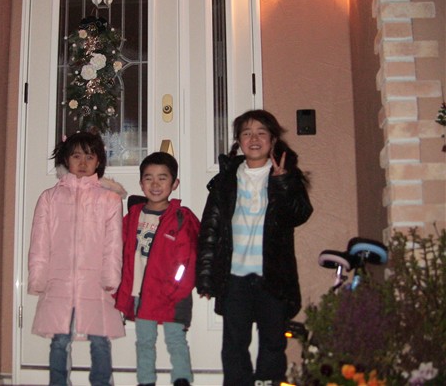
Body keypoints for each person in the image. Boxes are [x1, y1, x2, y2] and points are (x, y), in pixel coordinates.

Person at [196, 109, 313, 386]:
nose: (254, 138)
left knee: (273, 341)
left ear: (273, 140)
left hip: (272, 275)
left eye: (261, 133)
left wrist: (283, 183)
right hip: (234, 277)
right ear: (239, 141)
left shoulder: (284, 176)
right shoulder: (226, 180)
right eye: (247, 133)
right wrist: (206, 275)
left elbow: (299, 214)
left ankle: (268, 382)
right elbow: (210, 229)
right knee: (234, 344)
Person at [27, 131, 126, 386]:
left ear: (99, 161)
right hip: (59, 281)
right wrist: (38, 277)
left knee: (100, 338)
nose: (83, 163)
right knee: (59, 339)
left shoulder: (109, 199)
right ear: (66, 159)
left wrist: (111, 276)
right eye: (76, 156)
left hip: (95, 281)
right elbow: (39, 241)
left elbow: (113, 243)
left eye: (90, 157)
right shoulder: (50, 198)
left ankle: (101, 382)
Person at [115, 152, 201, 386]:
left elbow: (188, 259)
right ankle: (146, 381)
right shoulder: (133, 216)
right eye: (149, 178)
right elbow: (118, 249)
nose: (155, 184)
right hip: (140, 294)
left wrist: (177, 288)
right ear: (141, 183)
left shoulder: (181, 218)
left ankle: (182, 379)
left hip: (173, 294)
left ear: (175, 184)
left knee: (176, 339)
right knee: (144, 341)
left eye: (162, 178)